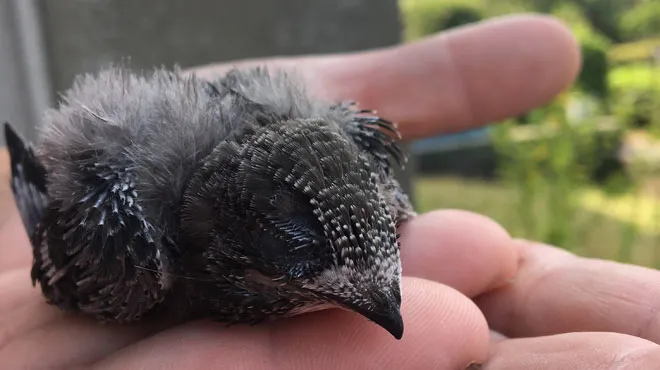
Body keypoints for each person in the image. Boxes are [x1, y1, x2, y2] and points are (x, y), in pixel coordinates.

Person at [2, 14, 659, 369]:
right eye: (303, 251)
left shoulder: (354, 150)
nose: (383, 297)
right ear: (236, 233)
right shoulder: (136, 245)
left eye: (380, 252)